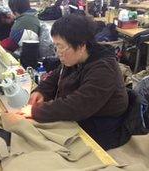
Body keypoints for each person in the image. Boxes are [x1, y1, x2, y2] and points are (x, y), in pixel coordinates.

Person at [26, 14, 129, 150]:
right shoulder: (76, 59)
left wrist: (35, 111)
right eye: (56, 46)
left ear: (81, 46)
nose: (58, 53)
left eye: (61, 47)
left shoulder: (104, 70)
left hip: (100, 131)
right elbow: (55, 77)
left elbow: (77, 106)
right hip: (80, 121)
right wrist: (41, 92)